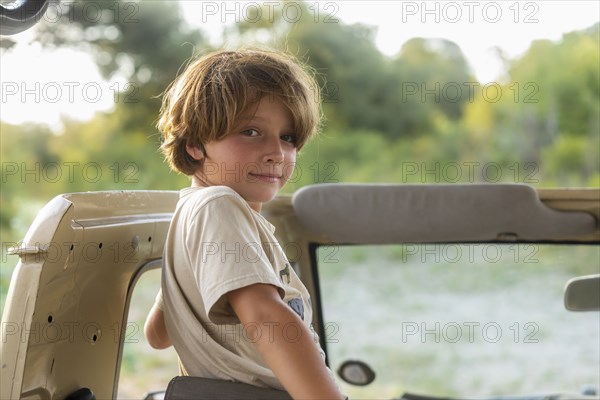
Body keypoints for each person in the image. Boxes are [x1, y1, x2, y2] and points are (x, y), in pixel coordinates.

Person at [144, 48, 345, 400]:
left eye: (288, 137)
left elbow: (158, 332)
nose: (277, 153)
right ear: (194, 144)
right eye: (251, 131)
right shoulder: (218, 206)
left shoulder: (203, 212)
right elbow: (267, 317)